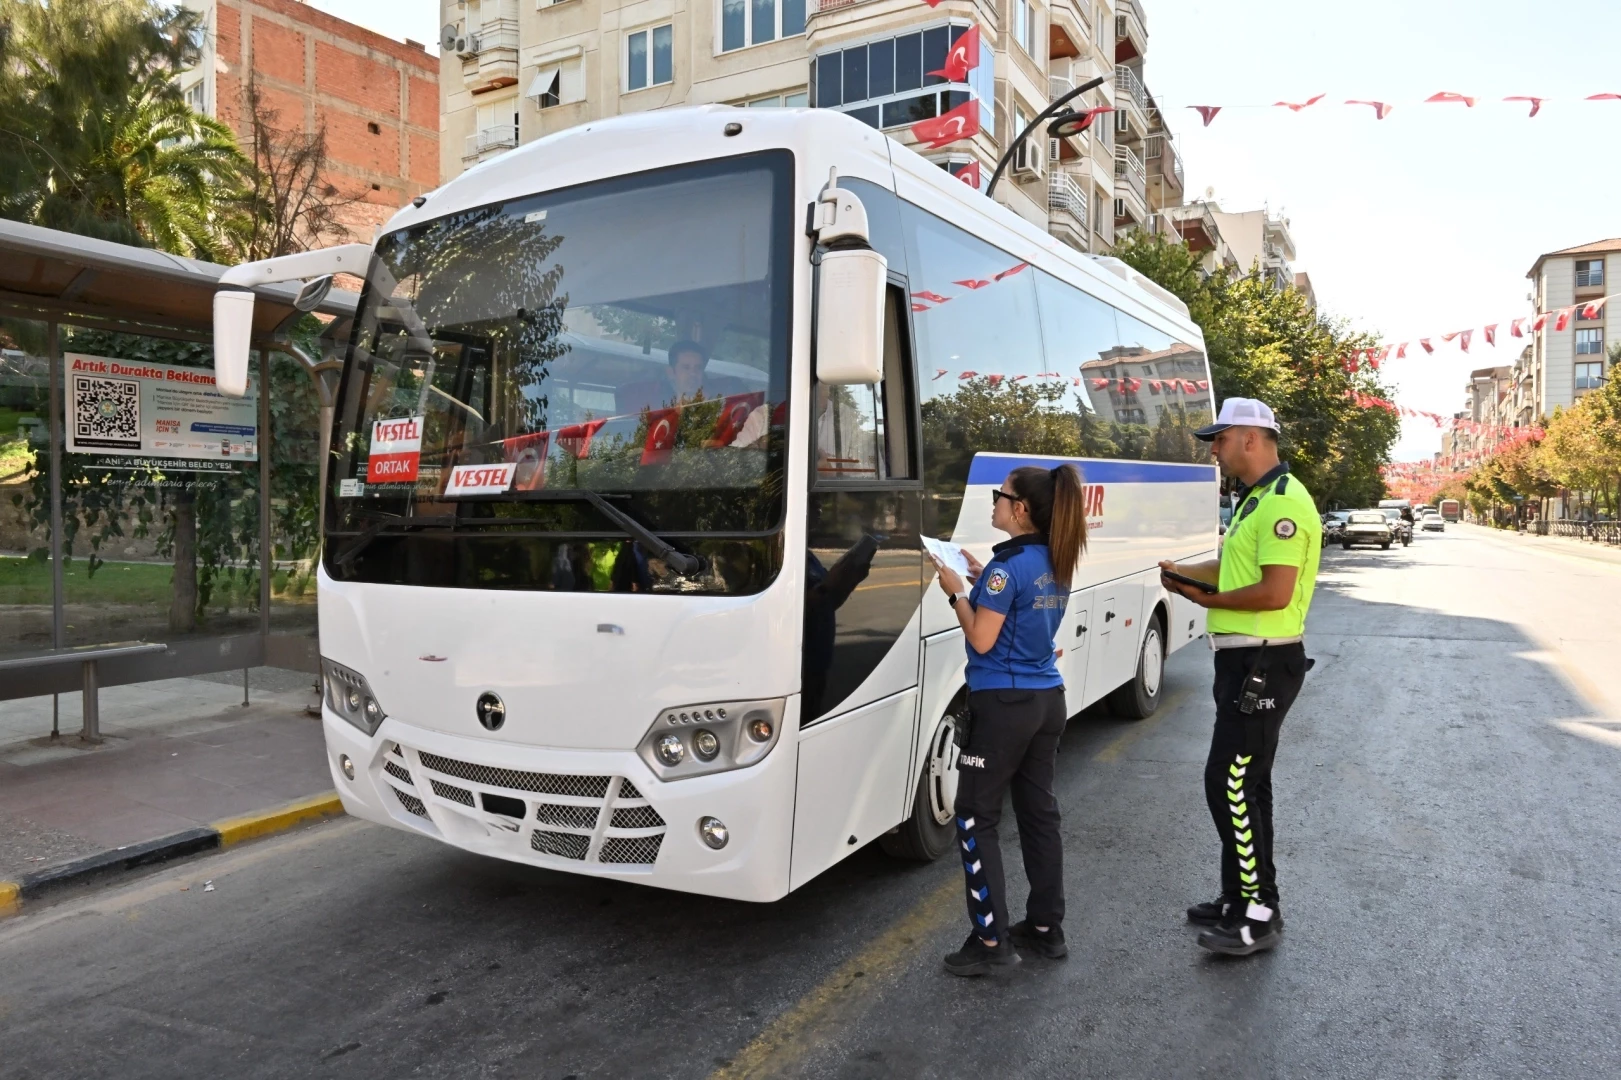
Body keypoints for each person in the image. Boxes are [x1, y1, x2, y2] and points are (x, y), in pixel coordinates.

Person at [1157, 397, 1321, 957]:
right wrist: (1182, 574)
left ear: (1251, 438)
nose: (1215, 451)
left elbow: (1274, 591)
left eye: (1220, 440)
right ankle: (1239, 897)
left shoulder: (1283, 503)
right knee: (1248, 784)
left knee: (1228, 783)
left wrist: (1207, 598)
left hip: (1263, 665)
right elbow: (1232, 570)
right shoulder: (1255, 498)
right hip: (1244, 662)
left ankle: (1259, 912)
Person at [929, 463, 1089, 977]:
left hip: (1004, 704)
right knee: (1039, 814)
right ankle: (1045, 928)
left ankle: (991, 941)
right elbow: (1022, 608)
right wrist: (981, 580)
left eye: (1000, 495)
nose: (994, 502)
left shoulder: (1007, 568)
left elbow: (981, 638)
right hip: (1046, 700)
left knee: (974, 814)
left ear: (1019, 509)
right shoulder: (1054, 558)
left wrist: (956, 591)